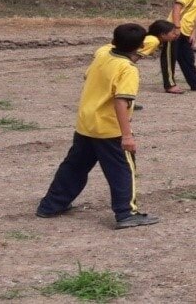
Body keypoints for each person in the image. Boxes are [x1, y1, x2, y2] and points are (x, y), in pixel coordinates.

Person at [36, 23, 159, 229]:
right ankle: (126, 213)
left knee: (74, 166)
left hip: (86, 123)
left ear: (113, 40)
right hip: (109, 129)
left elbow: (89, 74)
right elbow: (121, 101)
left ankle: (51, 205)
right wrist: (127, 136)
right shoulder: (127, 69)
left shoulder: (102, 54)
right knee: (122, 170)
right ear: (140, 47)